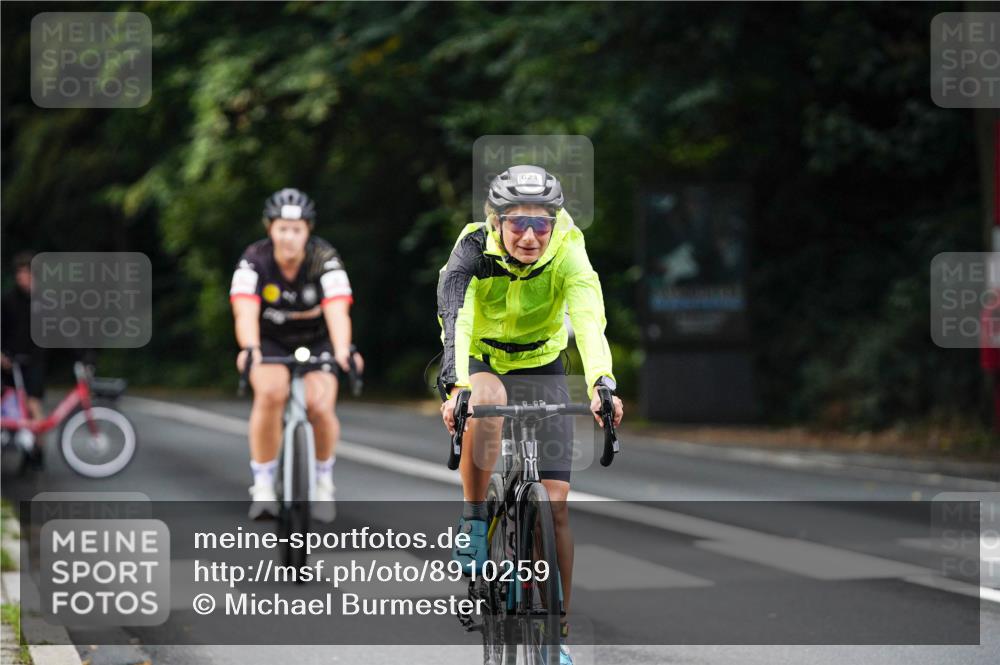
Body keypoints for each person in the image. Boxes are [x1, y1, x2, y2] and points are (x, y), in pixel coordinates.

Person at [436, 165, 624, 665]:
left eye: (541, 223)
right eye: (517, 222)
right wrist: (457, 387)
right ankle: (476, 517)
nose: (529, 235)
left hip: (542, 359)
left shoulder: (568, 247)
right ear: (495, 221)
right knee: (490, 406)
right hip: (480, 356)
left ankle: (556, 631)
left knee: (557, 504)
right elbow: (456, 316)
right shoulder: (473, 249)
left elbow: (587, 313)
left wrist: (601, 382)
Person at [230, 188, 363, 523]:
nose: (289, 237)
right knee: (271, 393)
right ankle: (262, 485)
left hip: (317, 341)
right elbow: (244, 311)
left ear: (308, 230)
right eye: (282, 229)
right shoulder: (254, 259)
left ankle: (322, 482)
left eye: (297, 230)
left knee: (320, 405)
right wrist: (249, 349)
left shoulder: (324, 257)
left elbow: (337, 311)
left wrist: (344, 349)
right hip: (269, 342)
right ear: (269, 228)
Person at [1, 251, 48, 463]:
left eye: (26, 273)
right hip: (9, 363)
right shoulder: (8, 300)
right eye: (19, 273)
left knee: (34, 404)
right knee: (9, 405)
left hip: (35, 362)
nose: (22, 277)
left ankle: (38, 452)